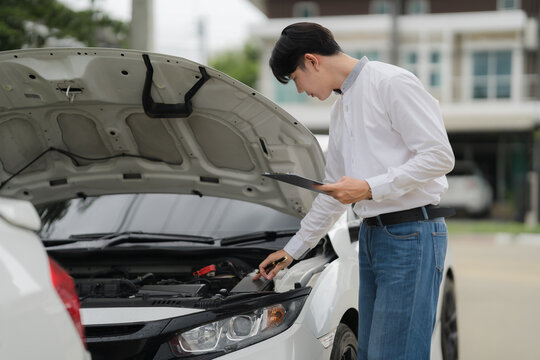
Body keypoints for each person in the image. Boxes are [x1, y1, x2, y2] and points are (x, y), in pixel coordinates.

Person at [253, 22, 455, 360]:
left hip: (412, 234)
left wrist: (368, 187)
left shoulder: (391, 82)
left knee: (395, 355)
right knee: (373, 354)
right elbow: (332, 193)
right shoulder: (340, 109)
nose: (301, 90)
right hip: (374, 238)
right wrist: (292, 251)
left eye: (296, 79)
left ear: (312, 60)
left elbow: (439, 156)